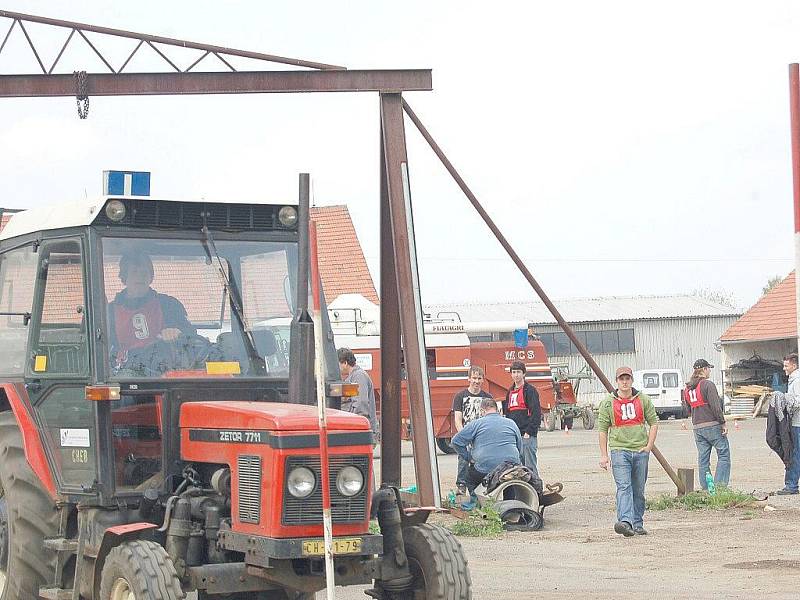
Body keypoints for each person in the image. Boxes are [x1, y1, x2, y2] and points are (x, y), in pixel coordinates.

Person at [598, 366, 658, 537]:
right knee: (624, 487)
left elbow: (654, 422)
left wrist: (648, 446)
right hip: (619, 451)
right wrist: (604, 454)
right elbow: (602, 429)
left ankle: (637, 523)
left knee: (638, 489)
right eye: (621, 379)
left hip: (640, 451)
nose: (624, 382)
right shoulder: (608, 403)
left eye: (627, 379)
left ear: (632, 380)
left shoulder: (643, 399)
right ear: (617, 381)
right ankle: (625, 521)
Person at [108, 253, 195, 368]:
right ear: (124, 277)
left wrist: (178, 332)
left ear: (151, 277)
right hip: (124, 373)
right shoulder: (108, 312)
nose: (140, 277)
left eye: (144, 273)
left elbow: (191, 335)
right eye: (134, 272)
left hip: (163, 370)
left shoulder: (169, 305)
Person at [451, 397, 523, 509]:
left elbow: (456, 441)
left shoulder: (476, 424)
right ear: (497, 409)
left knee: (469, 477)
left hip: (485, 469)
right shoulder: (511, 423)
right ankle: (510, 505)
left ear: (482, 411)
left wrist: (468, 457)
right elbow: (519, 448)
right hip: (509, 468)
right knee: (510, 481)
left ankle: (477, 502)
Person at [683, 359, 730, 491]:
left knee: (703, 459)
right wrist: (722, 422)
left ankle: (707, 488)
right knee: (723, 454)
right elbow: (716, 406)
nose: (709, 371)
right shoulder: (707, 385)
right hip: (712, 425)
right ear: (704, 370)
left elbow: (687, 410)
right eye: (708, 368)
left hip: (697, 427)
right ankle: (720, 487)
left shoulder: (687, 389)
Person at [452, 365, 494, 494]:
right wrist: (464, 436)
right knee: (464, 460)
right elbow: (458, 419)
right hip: (466, 434)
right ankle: (461, 485)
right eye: (474, 378)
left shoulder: (488, 397)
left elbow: (492, 418)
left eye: (479, 378)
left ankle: (485, 486)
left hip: (482, 436)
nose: (476, 381)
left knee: (483, 461)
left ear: (483, 380)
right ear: (469, 379)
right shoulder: (460, 396)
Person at [502, 360, 541, 478]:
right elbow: (507, 414)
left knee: (529, 467)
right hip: (515, 436)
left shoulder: (530, 391)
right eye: (513, 372)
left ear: (524, 374)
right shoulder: (509, 392)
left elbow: (536, 413)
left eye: (518, 372)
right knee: (517, 469)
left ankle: (536, 490)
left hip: (527, 435)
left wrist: (529, 432)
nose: (516, 375)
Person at [337, 348, 380, 444]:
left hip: (359, 431)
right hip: (358, 430)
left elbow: (361, 403)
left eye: (338, 364)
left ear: (345, 363)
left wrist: (351, 422)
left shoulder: (358, 376)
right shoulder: (353, 377)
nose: (338, 367)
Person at [776, 353, 800, 495]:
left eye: (786, 365)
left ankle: (791, 485)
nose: (784, 368)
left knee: (794, 453)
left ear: (794, 365)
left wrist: (784, 400)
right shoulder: (793, 379)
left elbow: (798, 400)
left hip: (797, 422)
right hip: (796, 421)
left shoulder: (796, 381)